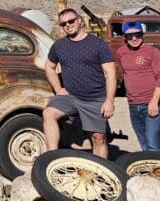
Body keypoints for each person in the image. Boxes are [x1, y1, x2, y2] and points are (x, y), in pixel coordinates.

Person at [42, 8, 116, 159]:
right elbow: (49, 67)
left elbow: (110, 73)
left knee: (98, 138)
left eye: (71, 21)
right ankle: (51, 159)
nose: (67, 25)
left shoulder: (97, 44)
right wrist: (58, 88)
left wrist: (109, 101)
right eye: (63, 24)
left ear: (79, 21)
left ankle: (100, 171)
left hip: (95, 98)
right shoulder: (59, 46)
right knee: (48, 113)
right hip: (71, 96)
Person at [115, 20, 160, 151]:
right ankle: (152, 169)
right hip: (133, 105)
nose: (134, 38)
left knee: (152, 142)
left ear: (142, 35)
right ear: (124, 38)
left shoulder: (152, 52)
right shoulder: (121, 52)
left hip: (151, 103)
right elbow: (118, 75)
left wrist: (154, 101)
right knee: (144, 142)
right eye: (129, 36)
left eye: (137, 35)